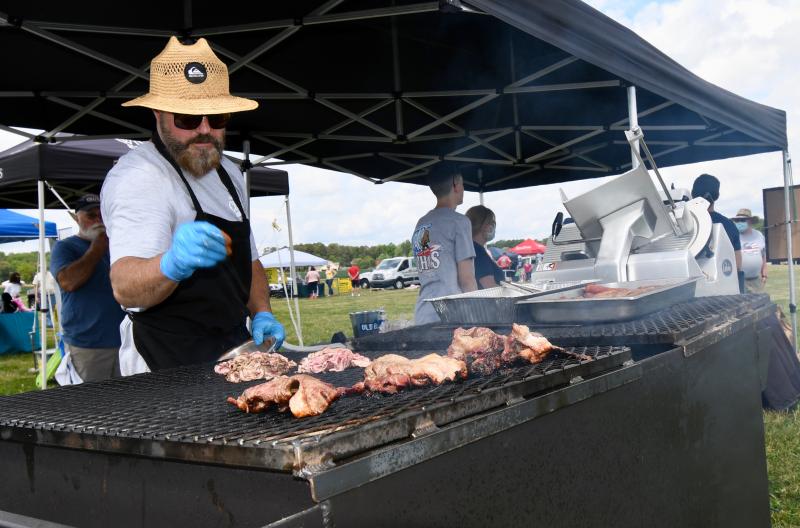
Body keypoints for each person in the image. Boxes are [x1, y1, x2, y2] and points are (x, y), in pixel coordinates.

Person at [100, 36, 285, 375]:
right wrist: (172, 264)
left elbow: (251, 260)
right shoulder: (140, 178)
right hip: (165, 361)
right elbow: (125, 286)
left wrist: (261, 311)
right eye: (187, 118)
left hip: (232, 349)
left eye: (217, 118)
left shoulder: (229, 171)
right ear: (157, 112)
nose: (204, 130)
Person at [50, 194, 126, 382]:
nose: (98, 220)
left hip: (125, 340)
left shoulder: (118, 245)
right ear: (77, 218)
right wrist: (96, 248)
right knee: (91, 405)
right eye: (91, 216)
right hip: (88, 343)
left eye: (102, 215)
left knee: (129, 403)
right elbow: (68, 282)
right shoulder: (65, 247)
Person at [412, 170, 477, 325]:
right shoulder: (459, 222)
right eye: (462, 183)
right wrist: (478, 317)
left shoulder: (421, 223)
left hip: (423, 314)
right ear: (456, 184)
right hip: (451, 315)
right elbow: (467, 280)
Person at [691, 174, 743, 290]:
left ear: (693, 193)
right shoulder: (729, 226)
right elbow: (738, 266)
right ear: (717, 196)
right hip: (724, 291)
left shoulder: (681, 224)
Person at [465, 205, 504, 289]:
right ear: (485, 226)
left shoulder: (471, 248)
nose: (493, 227)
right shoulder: (478, 252)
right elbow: (490, 287)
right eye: (492, 223)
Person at [732, 208, 767, 293]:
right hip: (740, 281)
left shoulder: (759, 235)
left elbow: (763, 255)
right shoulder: (733, 236)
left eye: (743, 220)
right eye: (737, 220)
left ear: (750, 221)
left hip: (756, 280)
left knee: (759, 304)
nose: (739, 222)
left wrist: (764, 274)